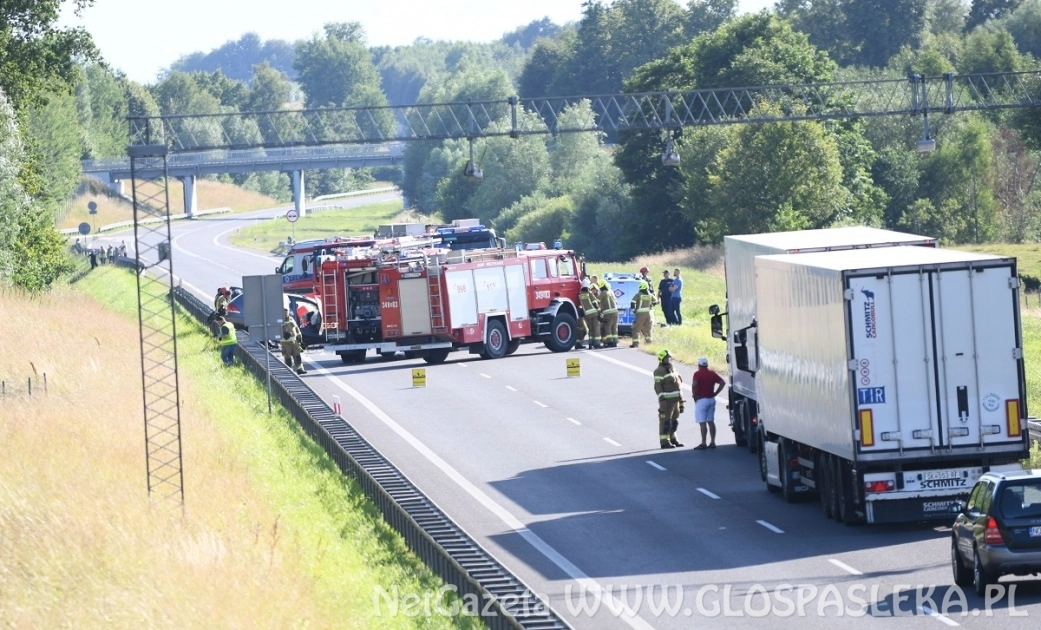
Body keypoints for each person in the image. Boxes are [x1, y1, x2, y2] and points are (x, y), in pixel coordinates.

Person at [691, 357, 726, 449]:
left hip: (701, 400)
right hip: (711, 399)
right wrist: (716, 393)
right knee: (711, 421)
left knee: (702, 422)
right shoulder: (712, 373)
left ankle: (703, 443)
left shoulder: (697, 374)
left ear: (699, 365)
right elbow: (722, 382)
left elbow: (695, 385)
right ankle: (713, 442)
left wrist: (694, 395)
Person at [653, 349, 684, 449]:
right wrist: (662, 399)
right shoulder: (659, 371)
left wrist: (681, 399)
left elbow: (678, 383)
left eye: (669, 357)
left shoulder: (672, 368)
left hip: (676, 400)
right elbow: (658, 386)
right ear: (662, 359)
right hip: (667, 401)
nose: (669, 359)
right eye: (667, 358)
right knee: (665, 422)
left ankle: (673, 439)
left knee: (674, 421)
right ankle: (664, 442)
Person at [575, 278, 601, 349]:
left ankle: (590, 344)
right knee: (596, 328)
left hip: (587, 314)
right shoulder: (589, 293)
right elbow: (595, 303)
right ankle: (597, 344)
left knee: (590, 329)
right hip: (594, 313)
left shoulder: (580, 294)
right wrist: (599, 312)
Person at [629, 281, 656, 348]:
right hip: (649, 314)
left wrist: (633, 310)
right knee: (648, 329)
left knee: (636, 328)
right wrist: (651, 306)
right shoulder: (650, 295)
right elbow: (655, 301)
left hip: (640, 314)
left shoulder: (638, 294)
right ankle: (648, 343)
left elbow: (632, 302)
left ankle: (635, 343)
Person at [281, 308, 306, 374]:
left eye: (286, 313)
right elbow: (276, 331)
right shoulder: (279, 321)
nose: (285, 314)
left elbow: (296, 328)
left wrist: (299, 336)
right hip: (285, 343)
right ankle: (289, 371)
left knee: (297, 356)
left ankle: (300, 369)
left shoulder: (291, 319)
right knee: (288, 358)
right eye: (284, 313)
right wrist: (283, 335)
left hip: (294, 342)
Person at [598, 279, 619, 347]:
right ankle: (615, 342)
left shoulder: (603, 293)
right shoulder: (611, 292)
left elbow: (597, 302)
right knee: (614, 327)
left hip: (608, 313)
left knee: (607, 327)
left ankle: (610, 342)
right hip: (615, 312)